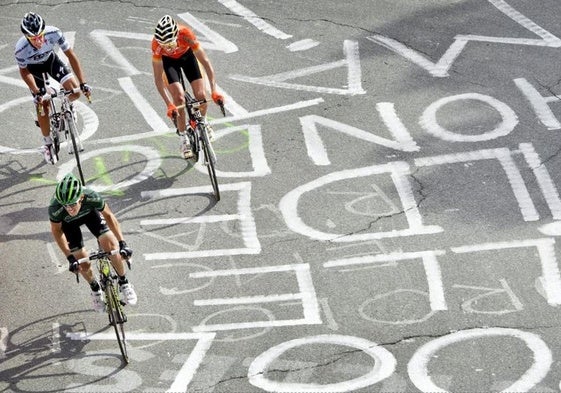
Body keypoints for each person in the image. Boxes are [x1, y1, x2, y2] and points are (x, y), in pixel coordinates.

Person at [49, 173, 137, 312]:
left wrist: (122, 243)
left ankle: (124, 282)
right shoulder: (56, 208)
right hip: (69, 225)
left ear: (81, 197)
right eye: (66, 206)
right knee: (82, 263)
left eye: (72, 204)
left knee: (111, 245)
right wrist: (70, 257)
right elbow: (57, 232)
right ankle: (95, 289)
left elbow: (108, 215)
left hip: (90, 215)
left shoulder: (91, 196)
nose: (70, 209)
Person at [14, 12, 92, 164]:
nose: (39, 41)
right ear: (27, 37)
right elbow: (24, 72)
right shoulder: (20, 49)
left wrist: (83, 83)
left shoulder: (54, 33)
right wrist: (36, 92)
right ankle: (48, 144)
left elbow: (71, 56)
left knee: (75, 92)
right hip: (33, 70)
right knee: (43, 105)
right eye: (34, 39)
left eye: (41, 36)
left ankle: (67, 106)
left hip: (51, 62)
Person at [151, 14, 224, 159]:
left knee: (201, 95)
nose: (169, 49)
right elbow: (158, 80)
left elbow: (206, 64)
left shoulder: (185, 34)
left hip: (187, 57)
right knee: (178, 98)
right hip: (169, 63)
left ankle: (203, 122)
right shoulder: (157, 47)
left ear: (176, 36)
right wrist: (169, 104)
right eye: (164, 46)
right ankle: (183, 138)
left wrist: (214, 91)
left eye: (170, 44)